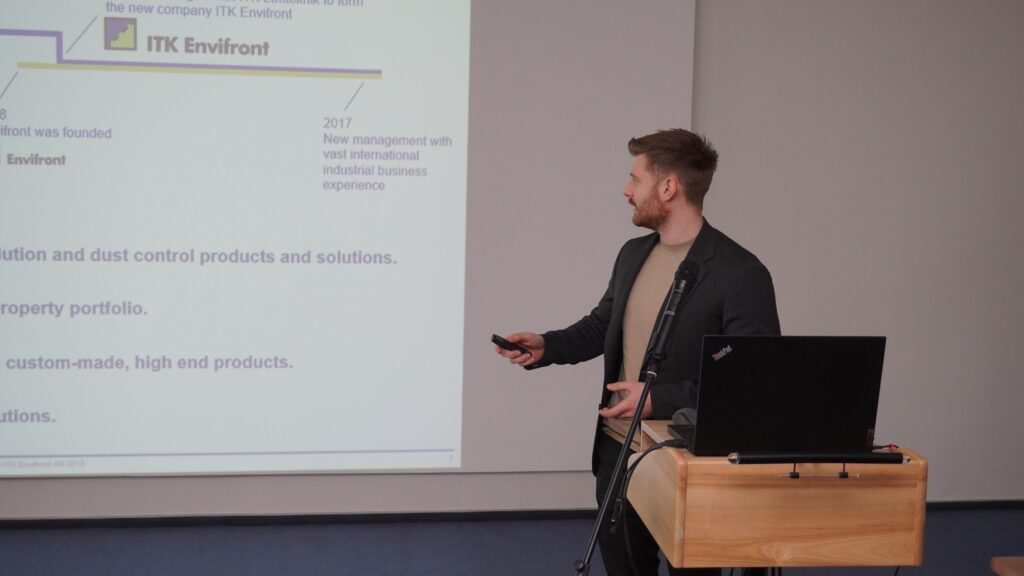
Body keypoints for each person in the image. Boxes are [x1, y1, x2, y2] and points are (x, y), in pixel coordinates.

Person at [494, 129, 780, 576]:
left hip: (689, 461)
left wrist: (657, 400)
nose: (626, 190)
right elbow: (602, 326)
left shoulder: (740, 273)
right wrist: (548, 346)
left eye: (635, 179)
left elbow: (753, 382)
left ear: (668, 187)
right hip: (618, 450)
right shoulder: (633, 254)